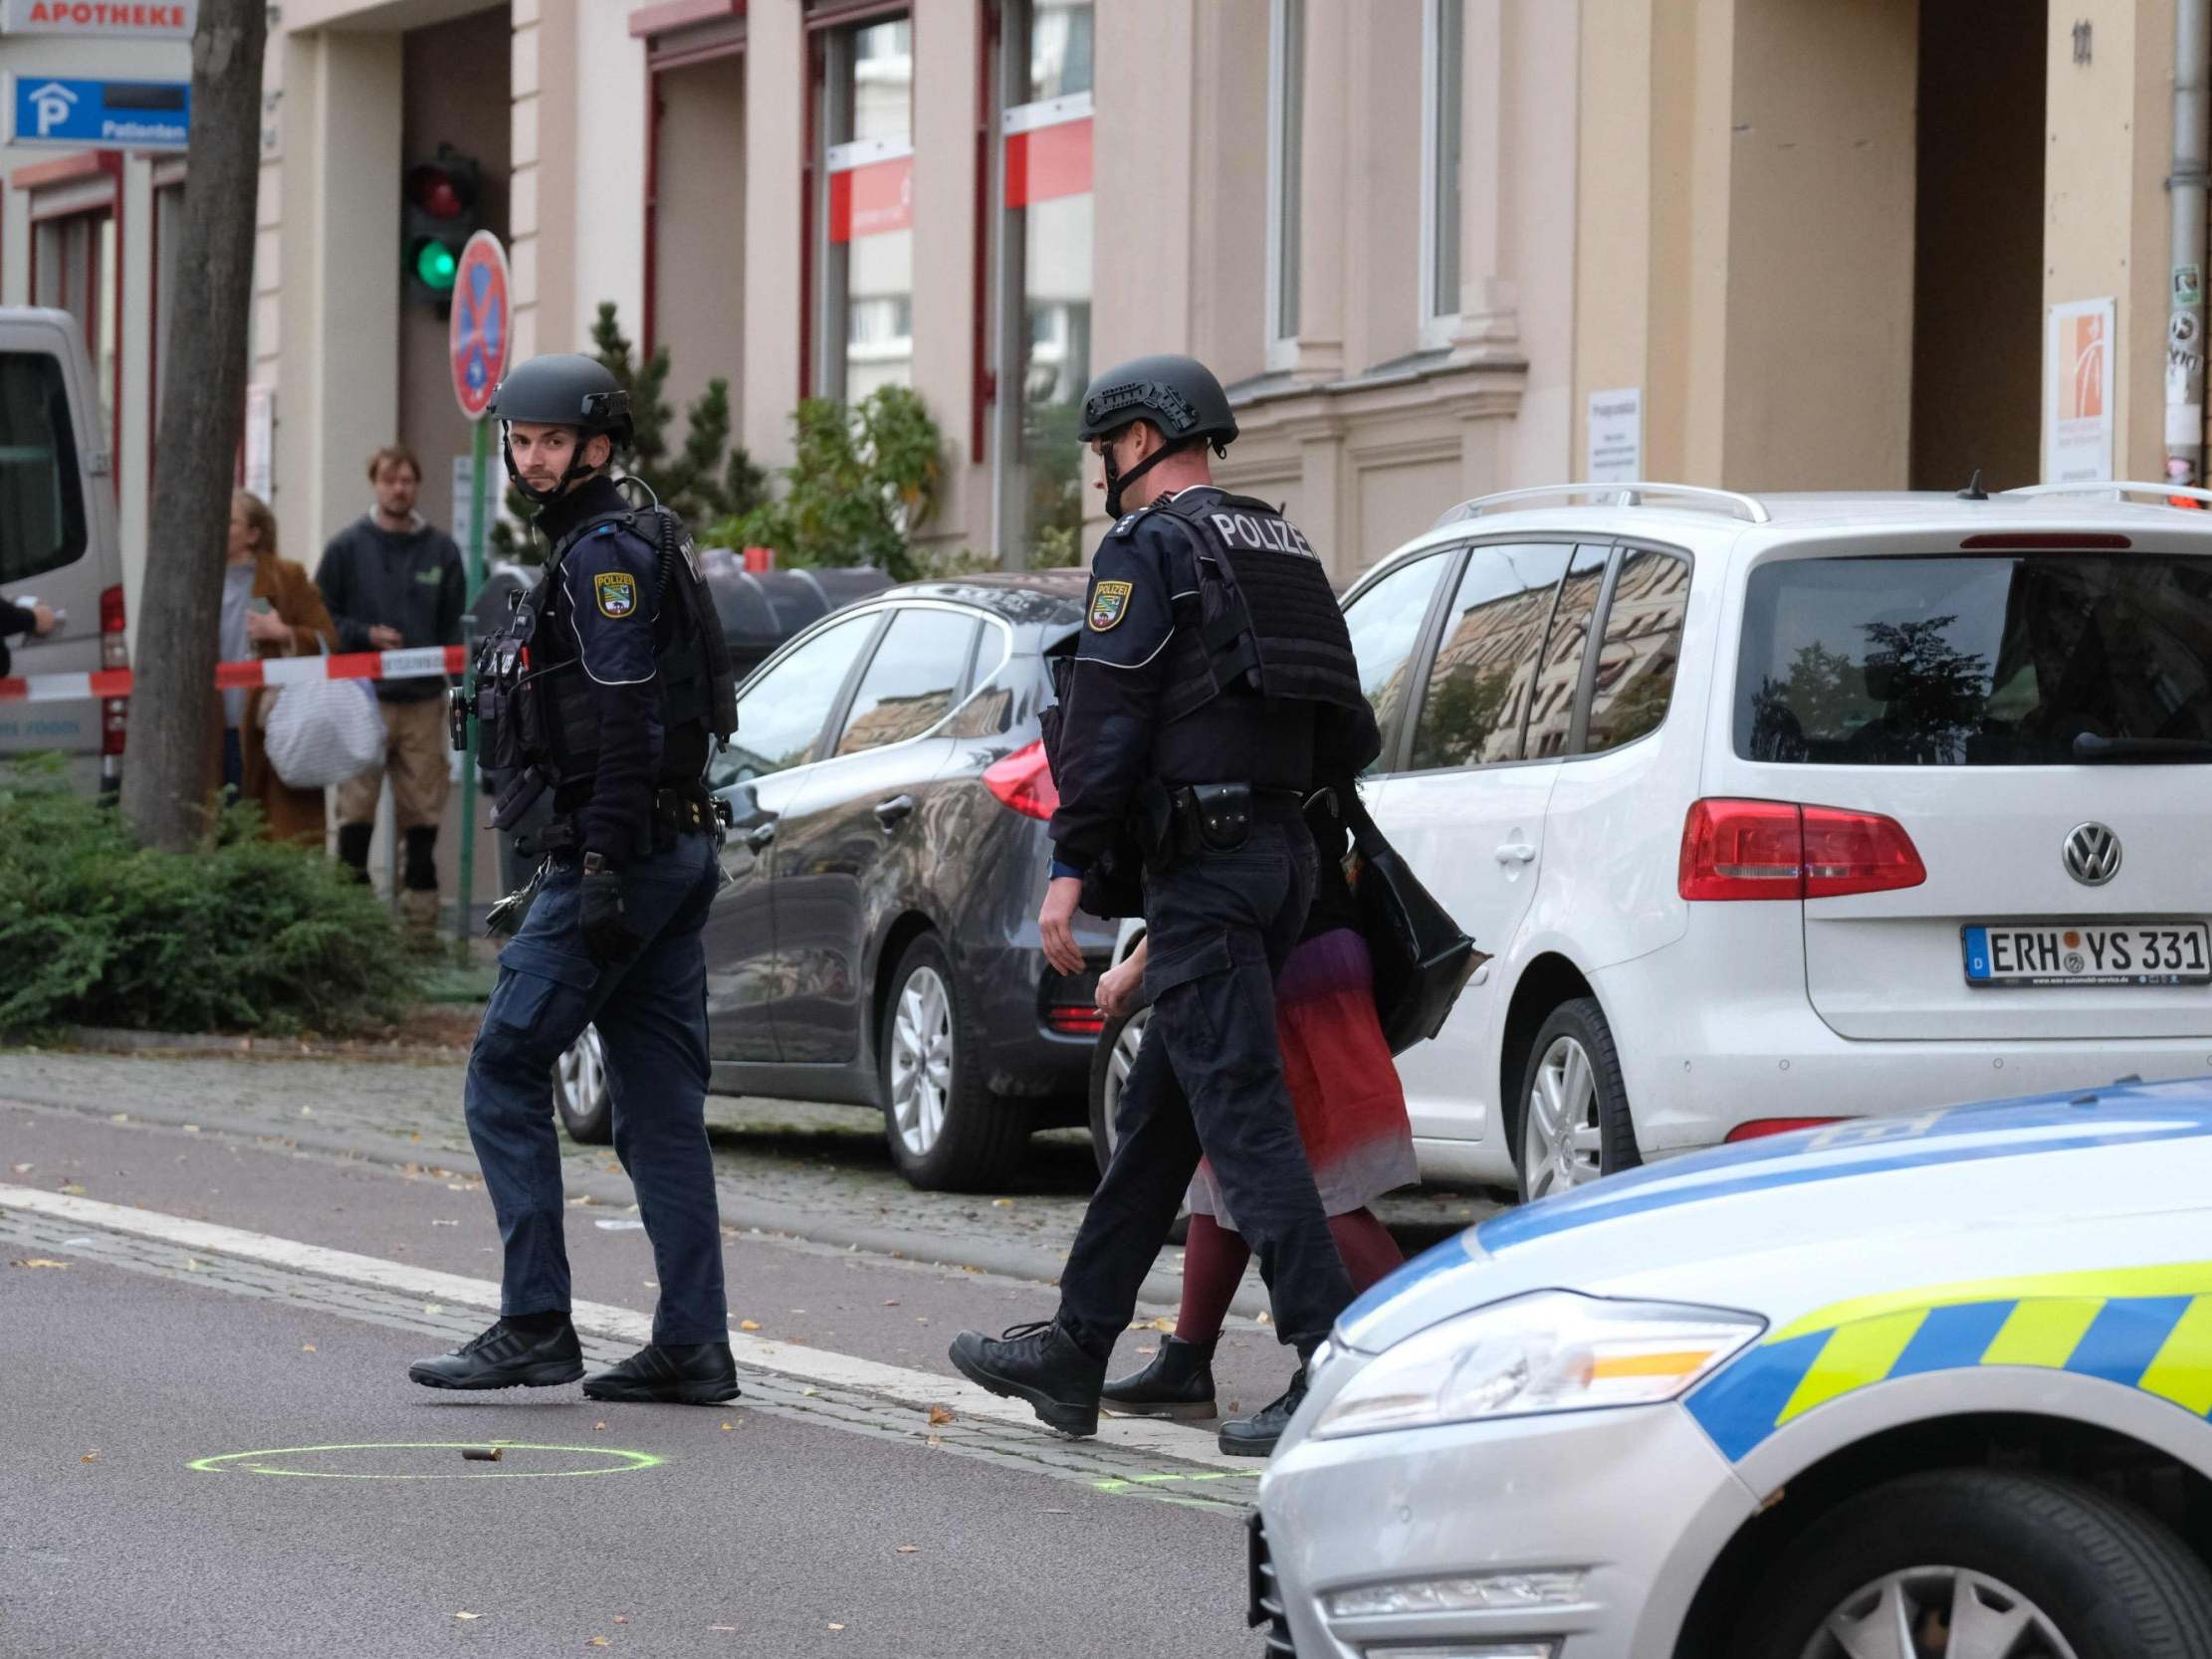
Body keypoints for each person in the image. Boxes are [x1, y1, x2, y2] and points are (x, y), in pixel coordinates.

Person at [949, 354, 1381, 1456]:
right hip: (1279, 852)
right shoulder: (1279, 543)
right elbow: (1349, 726)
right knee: (1161, 1121)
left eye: (1104, 449)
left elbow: (1107, 716)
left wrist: (1071, 867)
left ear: (1139, 438)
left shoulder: (1147, 549)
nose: (1103, 469)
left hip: (1209, 863)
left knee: (1242, 1118)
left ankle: (1331, 1359)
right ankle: (1076, 1346)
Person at [410, 353, 742, 1405]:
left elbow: (627, 722)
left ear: (598, 446)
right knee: (656, 1111)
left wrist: (596, 867)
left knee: (503, 1067)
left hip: (625, 857)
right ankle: (692, 1343)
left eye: (554, 440)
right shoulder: (632, 536)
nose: (534, 455)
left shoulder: (604, 551)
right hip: (669, 851)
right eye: (523, 437)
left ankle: (534, 1320)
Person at [1092, 791, 1415, 1428]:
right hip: (1301, 946)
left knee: (1315, 1183)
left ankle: (1425, 1355)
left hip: (1287, 964)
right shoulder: (1298, 709)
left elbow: (1226, 862)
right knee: (1223, 1170)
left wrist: (1138, 962)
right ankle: (1186, 1361)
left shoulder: (1231, 716)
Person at [314, 444, 466, 941]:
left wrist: (458, 692)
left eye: (407, 481)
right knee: (355, 813)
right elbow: (322, 618)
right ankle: (352, 928)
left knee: (422, 815)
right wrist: (363, 634)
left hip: (423, 701)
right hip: (364, 698)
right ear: (374, 485)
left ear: (416, 485)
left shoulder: (441, 551)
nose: (399, 489)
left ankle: (420, 931)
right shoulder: (346, 548)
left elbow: (455, 629)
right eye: (389, 480)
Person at [203, 491, 340, 844]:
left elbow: (329, 640)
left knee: (272, 832)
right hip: (212, 728)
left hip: (272, 728)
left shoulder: (286, 578)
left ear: (252, 534)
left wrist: (283, 634)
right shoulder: (198, 579)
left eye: (230, 520)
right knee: (217, 831)